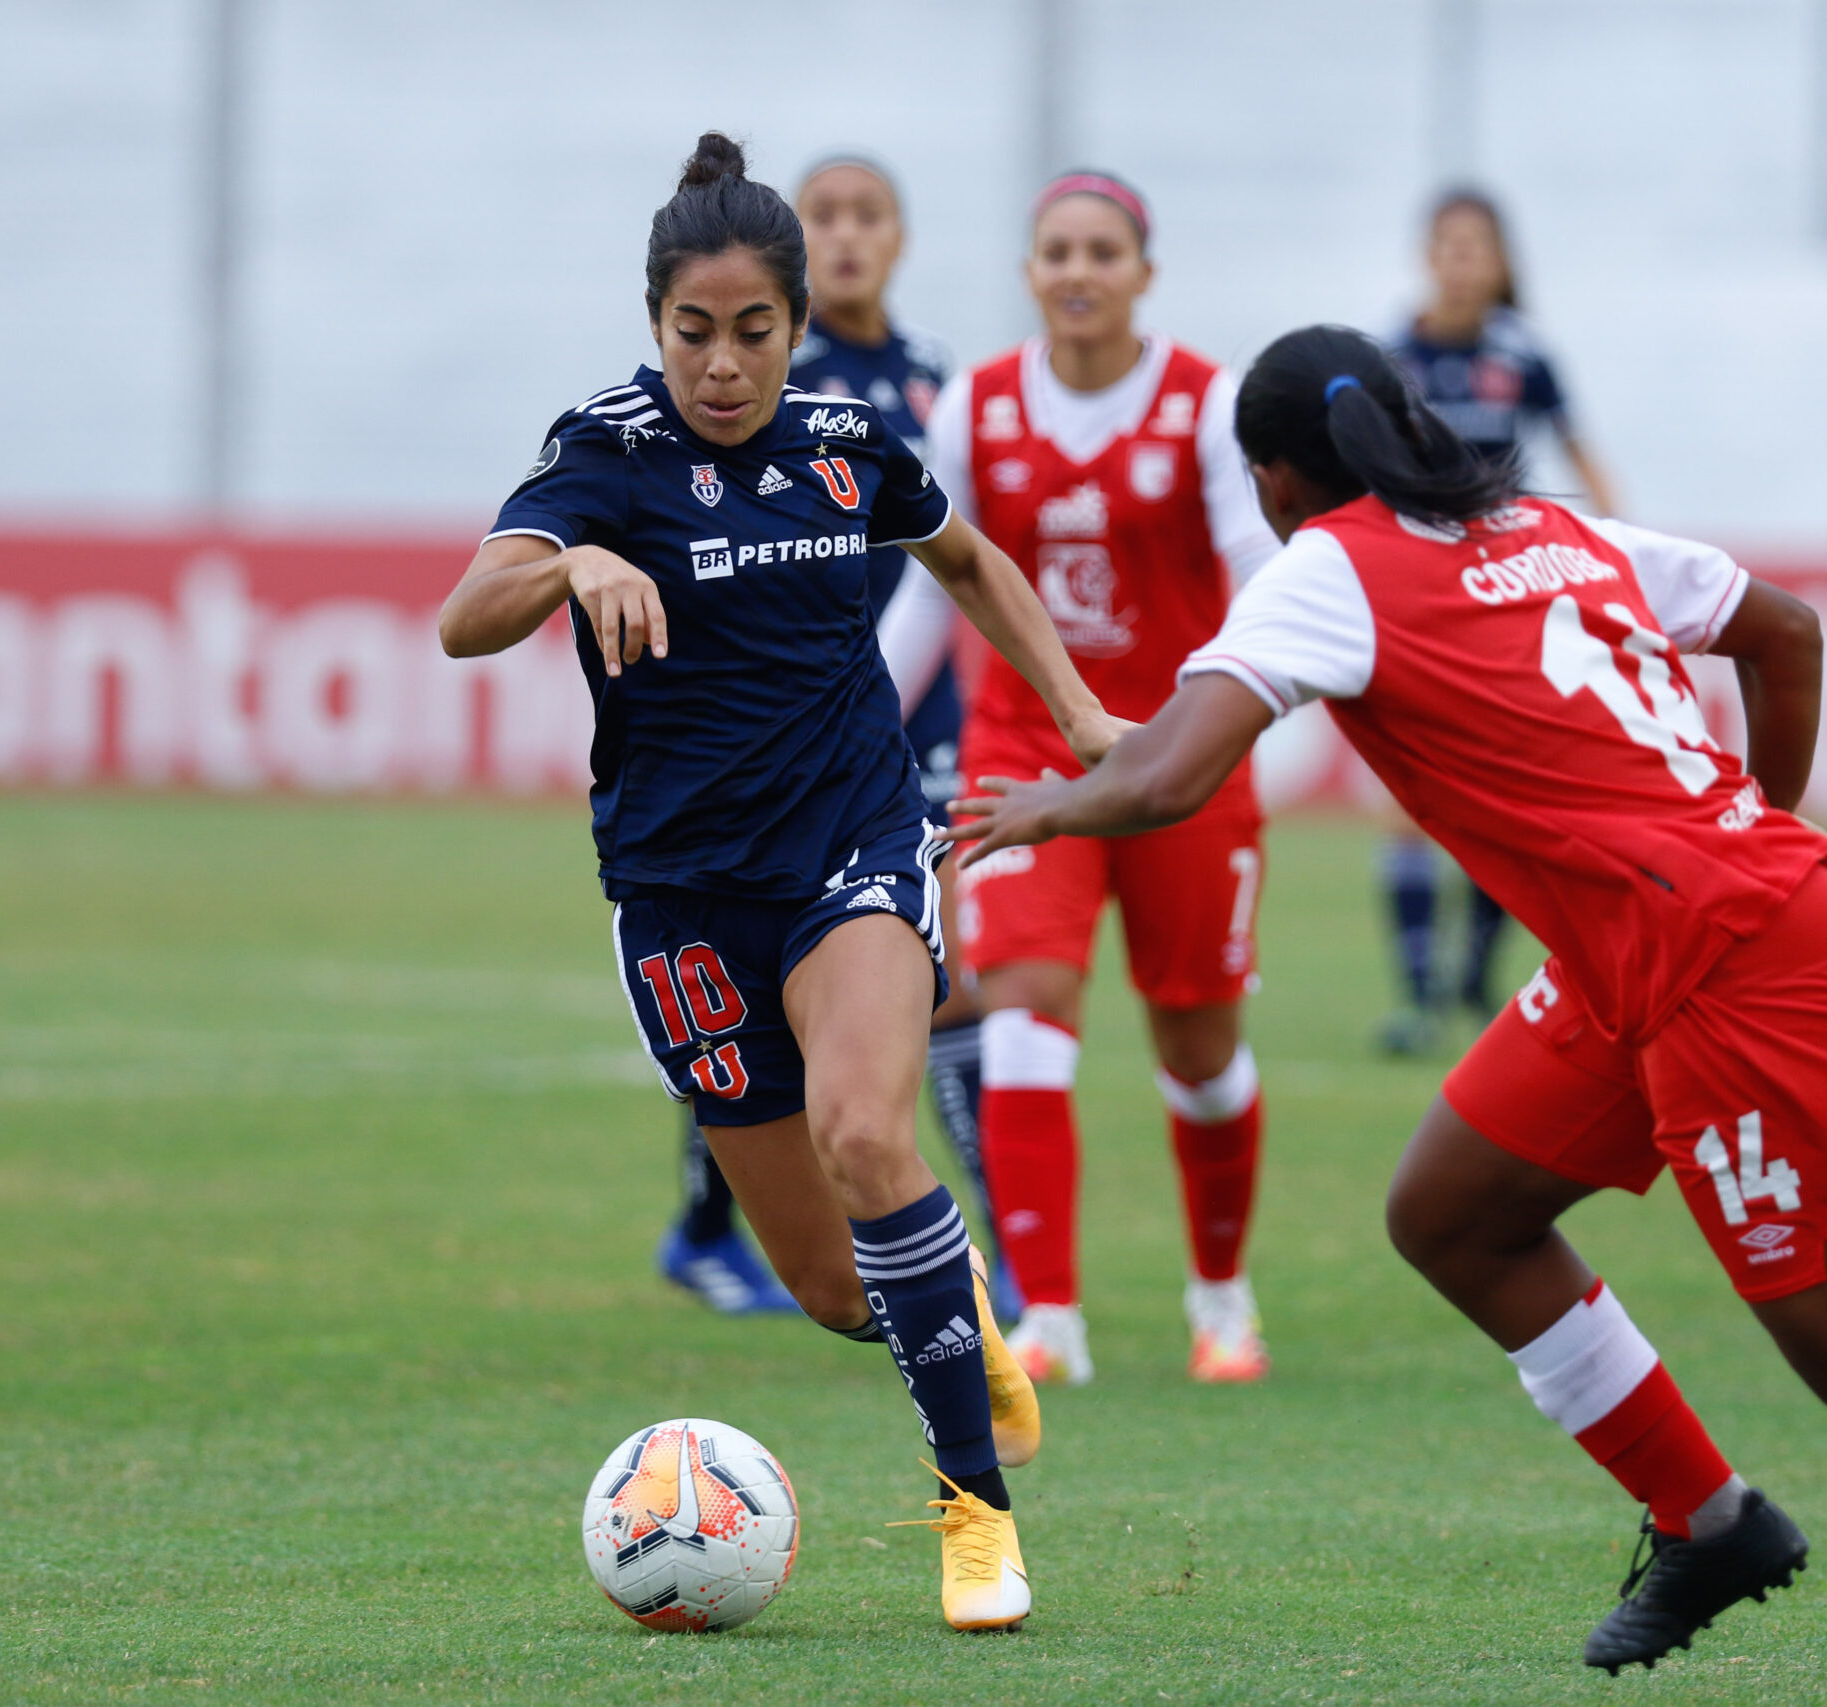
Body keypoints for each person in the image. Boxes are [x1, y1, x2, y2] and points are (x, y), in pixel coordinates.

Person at [949, 324, 1827, 1698]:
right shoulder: (1547, 523)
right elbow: (1784, 630)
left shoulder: (1328, 564)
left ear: (1270, 477)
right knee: (1453, 1210)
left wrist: (1045, 806)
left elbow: (1167, 780)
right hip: (1665, 944)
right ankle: (1711, 1519)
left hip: (1729, 964)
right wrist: (1759, 819)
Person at [440, 134, 1131, 1631]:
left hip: (851, 848)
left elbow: (971, 560)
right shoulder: (603, 454)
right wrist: (570, 567)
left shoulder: (847, 442)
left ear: (796, 325)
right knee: (832, 1284)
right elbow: (463, 613)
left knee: (872, 1135)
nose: (726, 364)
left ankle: (978, 1523)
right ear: (655, 325)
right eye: (696, 332)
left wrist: (1080, 714)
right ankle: (978, 1339)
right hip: (680, 898)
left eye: (756, 331)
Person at [877, 169, 1282, 1388]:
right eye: (1056, 250)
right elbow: (929, 582)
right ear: (1029, 270)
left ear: (1143, 273)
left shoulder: (1205, 407)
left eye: (1102, 251)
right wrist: (856, 723)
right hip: (1023, 754)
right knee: (1023, 1018)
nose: (1078, 271)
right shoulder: (978, 409)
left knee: (1200, 1052)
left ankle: (1220, 1297)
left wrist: (1239, 709)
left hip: (1177, 757)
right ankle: (1046, 1317)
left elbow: (1259, 570)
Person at [655, 151, 1021, 1320]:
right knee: (752, 991)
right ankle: (710, 1226)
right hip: (776, 736)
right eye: (828, 217)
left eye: (871, 215)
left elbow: (965, 546)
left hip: (915, 714)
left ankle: (985, 1240)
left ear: (901, 238)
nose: (851, 234)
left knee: (950, 976)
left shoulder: (935, 385)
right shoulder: (753, 375)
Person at [1374, 188, 1621, 1057]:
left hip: (1508, 597)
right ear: (1425, 256)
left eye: (1476, 244)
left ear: (1503, 261)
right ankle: (1416, 995)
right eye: (1447, 243)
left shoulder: (1524, 357)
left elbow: (1585, 458)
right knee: (1406, 797)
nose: (1461, 259)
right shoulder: (1386, 357)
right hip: (1413, 597)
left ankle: (1476, 975)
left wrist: (1617, 554)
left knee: (1503, 795)